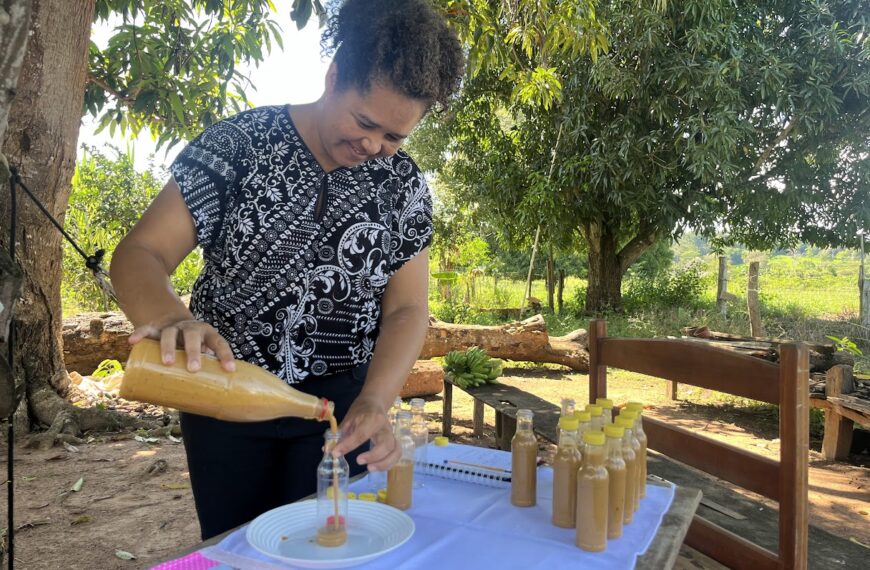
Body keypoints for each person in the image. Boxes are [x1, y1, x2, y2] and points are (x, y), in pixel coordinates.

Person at [110, 0, 464, 540]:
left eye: (394, 138)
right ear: (333, 76)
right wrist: (170, 317)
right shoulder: (239, 146)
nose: (374, 146)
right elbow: (140, 253)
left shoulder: (404, 186)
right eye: (365, 122)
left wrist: (376, 400)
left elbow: (409, 308)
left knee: (333, 546)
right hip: (225, 397)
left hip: (340, 410)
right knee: (240, 546)